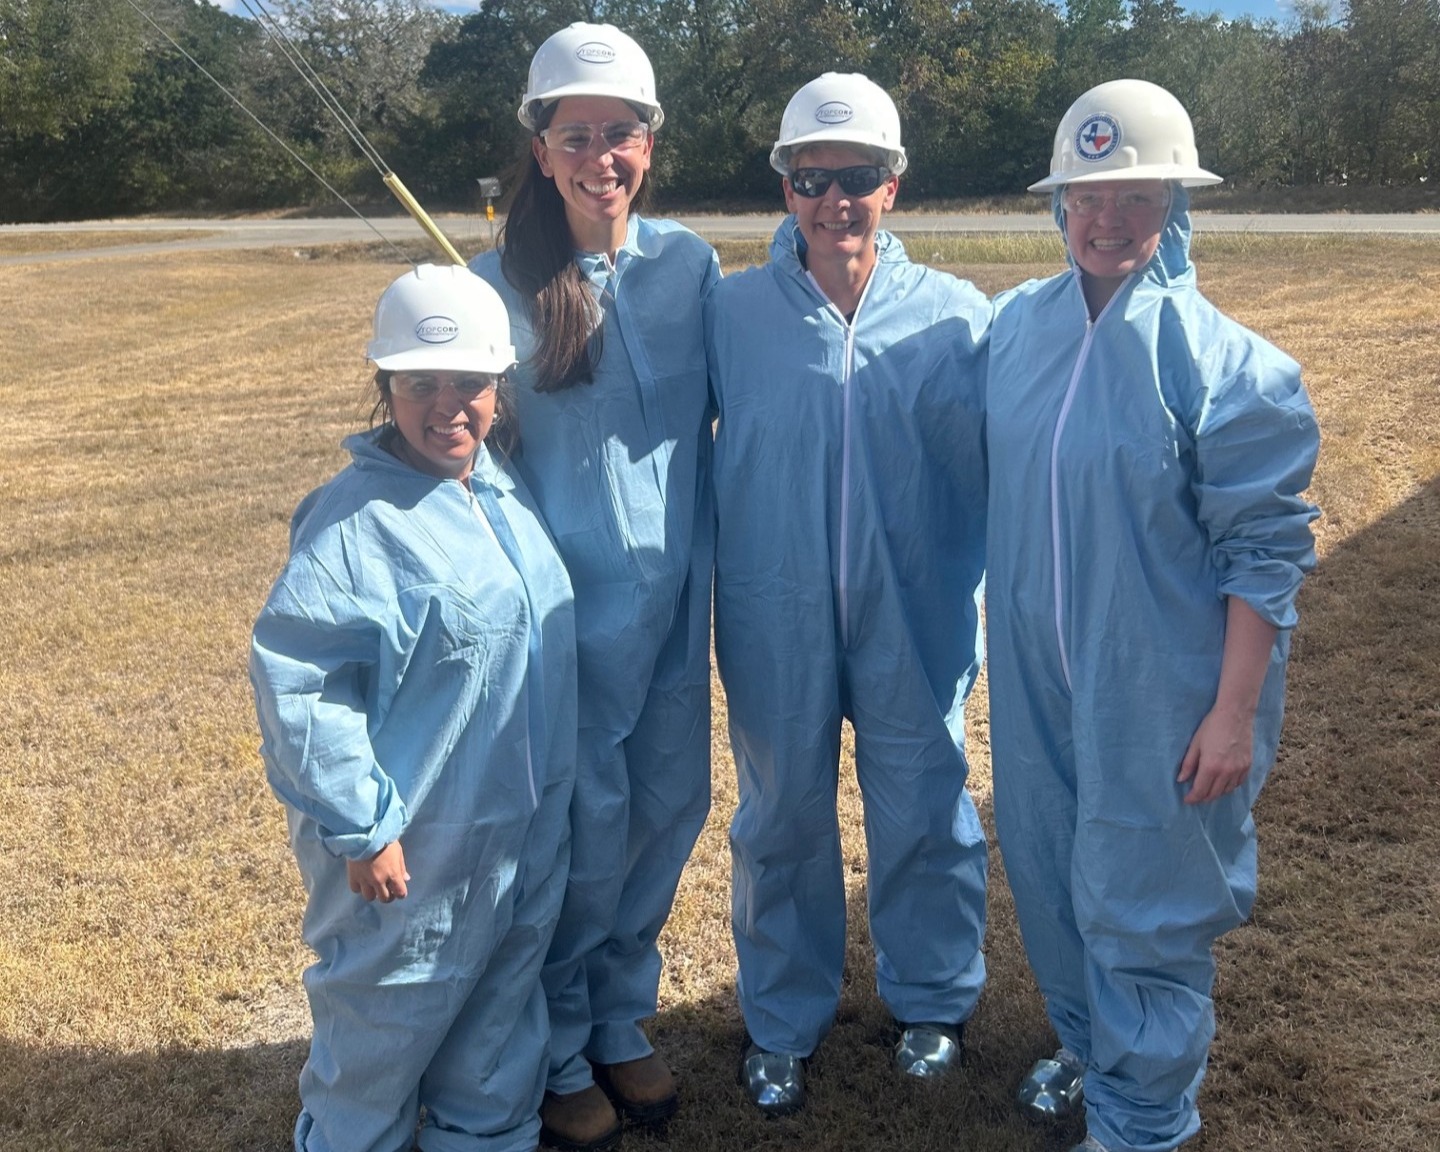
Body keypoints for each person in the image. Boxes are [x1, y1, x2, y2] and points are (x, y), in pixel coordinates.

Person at [984, 79, 1321, 1152]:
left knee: (1146, 897)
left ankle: (1143, 1121)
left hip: (1159, 691)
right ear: (1058, 204)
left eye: (1136, 194)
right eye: (1088, 195)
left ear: (1176, 202)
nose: (1109, 218)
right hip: (1035, 677)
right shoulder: (1017, 330)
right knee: (1049, 873)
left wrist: (1232, 713)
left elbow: (1264, 555)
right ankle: (1093, 1049)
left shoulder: (1226, 366)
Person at [704, 72, 992, 1118]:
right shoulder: (729, 312)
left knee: (924, 802)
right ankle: (784, 1016)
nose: (835, 201)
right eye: (812, 179)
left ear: (893, 185)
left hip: (915, 603)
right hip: (772, 603)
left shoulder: (957, 317)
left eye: (858, 177)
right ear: (786, 187)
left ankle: (933, 997)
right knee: (781, 812)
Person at [250, 264, 577, 1152]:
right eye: (419, 383)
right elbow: (301, 683)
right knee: (385, 1021)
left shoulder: (498, 489)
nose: (447, 406)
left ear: (499, 386)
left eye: (468, 381)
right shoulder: (352, 526)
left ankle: (486, 1136)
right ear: (384, 386)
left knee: (500, 1013)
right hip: (412, 847)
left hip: (517, 831)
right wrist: (363, 827)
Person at [468, 23, 719, 1152]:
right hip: (565, 619)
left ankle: (621, 1016)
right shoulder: (494, 287)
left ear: (649, 144)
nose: (599, 156)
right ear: (540, 148)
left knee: (666, 810)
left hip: (675, 610)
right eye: (575, 136)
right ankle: (561, 1042)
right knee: (580, 828)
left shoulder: (690, 268)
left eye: (620, 132)